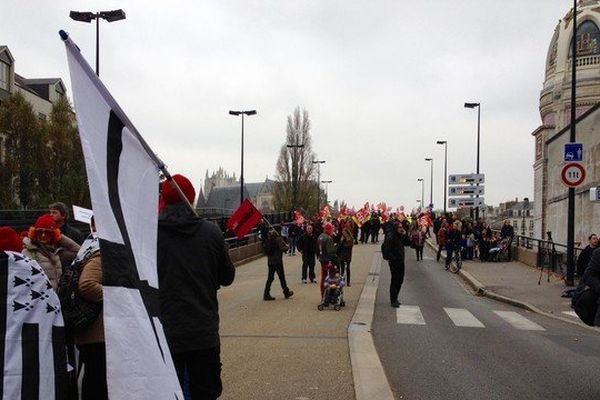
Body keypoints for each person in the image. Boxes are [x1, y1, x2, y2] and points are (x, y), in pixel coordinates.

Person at [157, 174, 235, 400]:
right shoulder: (210, 233)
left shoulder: (152, 235)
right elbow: (227, 277)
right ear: (190, 198)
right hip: (203, 332)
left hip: (166, 333)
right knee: (206, 392)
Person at [74, 246, 107, 400]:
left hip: (97, 332)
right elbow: (86, 285)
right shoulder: (101, 257)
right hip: (96, 333)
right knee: (97, 381)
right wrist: (117, 295)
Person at [22, 214, 80, 290]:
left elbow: (79, 251)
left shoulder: (56, 253)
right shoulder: (28, 252)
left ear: (53, 234)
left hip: (57, 298)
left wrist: (59, 237)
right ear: (34, 233)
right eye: (40, 232)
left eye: (47, 232)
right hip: (40, 298)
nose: (43, 235)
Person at [382, 222, 410, 307]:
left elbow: (408, 243)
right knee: (395, 280)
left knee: (400, 280)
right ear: (395, 228)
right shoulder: (391, 236)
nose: (401, 229)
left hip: (401, 261)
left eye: (402, 227)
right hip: (394, 262)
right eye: (399, 227)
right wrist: (393, 258)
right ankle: (393, 299)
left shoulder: (400, 236)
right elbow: (387, 251)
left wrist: (405, 234)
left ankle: (396, 298)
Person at [263, 229, 294, 300]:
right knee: (282, 277)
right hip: (277, 261)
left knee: (270, 278)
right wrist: (287, 247)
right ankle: (286, 292)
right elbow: (282, 248)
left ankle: (266, 293)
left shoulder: (268, 240)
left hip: (270, 262)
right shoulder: (279, 239)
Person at [317, 222, 338, 299]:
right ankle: (329, 296)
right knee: (331, 278)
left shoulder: (320, 236)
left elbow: (317, 249)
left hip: (322, 259)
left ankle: (323, 295)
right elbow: (331, 252)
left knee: (323, 278)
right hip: (328, 261)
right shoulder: (328, 238)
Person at [338, 221, 354, 286]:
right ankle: (348, 282)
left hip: (343, 253)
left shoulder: (343, 237)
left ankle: (343, 281)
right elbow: (351, 245)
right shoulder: (351, 236)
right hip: (348, 253)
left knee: (342, 268)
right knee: (347, 268)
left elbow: (340, 244)